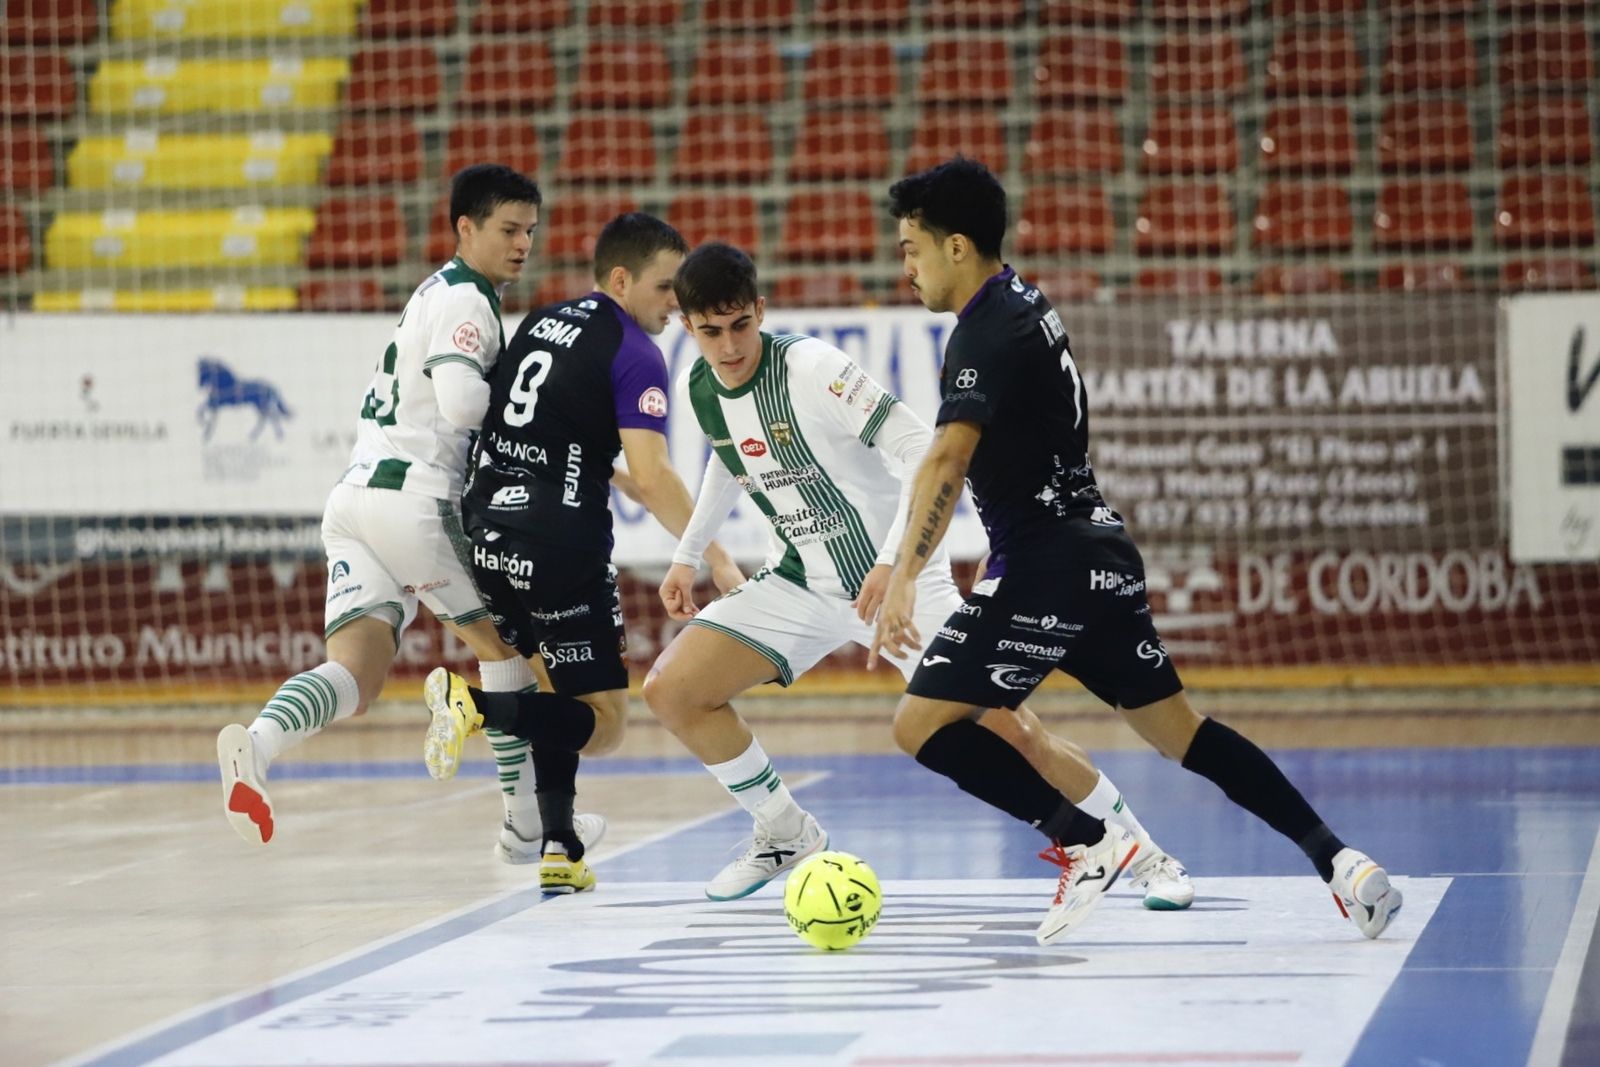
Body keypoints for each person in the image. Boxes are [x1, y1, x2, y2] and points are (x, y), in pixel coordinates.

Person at [867, 158, 1401, 945]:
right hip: (1101, 560)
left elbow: (947, 457)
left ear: (956, 246)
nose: (903, 266)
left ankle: (1087, 841)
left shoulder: (984, 329)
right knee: (1185, 732)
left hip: (1044, 565)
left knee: (918, 724)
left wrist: (907, 571)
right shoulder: (1023, 304)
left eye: (911, 248)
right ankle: (1341, 861)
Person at [641, 241, 1192, 909]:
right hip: (802, 583)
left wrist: (892, 565)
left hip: (899, 583)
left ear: (761, 311)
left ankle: (1146, 853)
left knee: (1012, 729)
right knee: (672, 688)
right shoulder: (702, 385)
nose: (729, 347)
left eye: (740, 327)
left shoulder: (813, 368)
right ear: (685, 324)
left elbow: (918, 450)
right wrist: (688, 552)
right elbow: (731, 459)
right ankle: (784, 831)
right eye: (710, 332)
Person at [215, 165, 605, 866]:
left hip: (352, 501)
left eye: (531, 232)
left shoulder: (433, 291)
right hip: (416, 502)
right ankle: (525, 824)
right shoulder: (468, 301)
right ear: (466, 227)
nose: (524, 244)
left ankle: (260, 743)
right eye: (509, 230)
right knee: (509, 651)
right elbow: (459, 403)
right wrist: (538, 413)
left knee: (357, 674)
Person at [422, 213, 742, 893]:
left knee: (551, 688)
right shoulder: (634, 350)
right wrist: (715, 554)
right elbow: (654, 475)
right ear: (621, 280)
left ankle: (560, 846)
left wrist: (599, 471)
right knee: (603, 725)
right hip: (560, 545)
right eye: (665, 288)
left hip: (487, 531)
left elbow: (562, 433)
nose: (675, 305)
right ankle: (474, 706)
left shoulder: (542, 319)